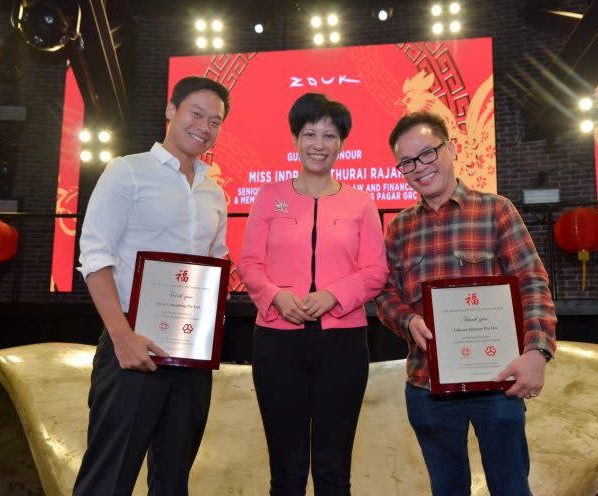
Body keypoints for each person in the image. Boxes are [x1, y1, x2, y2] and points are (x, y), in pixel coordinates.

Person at [375, 111, 557, 496]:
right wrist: (407, 321)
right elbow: (385, 294)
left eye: (427, 153)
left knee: (510, 488)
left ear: (452, 149)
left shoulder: (496, 210)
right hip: (427, 386)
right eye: (406, 162)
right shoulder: (398, 229)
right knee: (446, 489)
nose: (419, 168)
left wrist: (537, 351)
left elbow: (532, 281)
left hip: (498, 383)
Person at [74, 76, 230, 495]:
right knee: (109, 475)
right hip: (132, 342)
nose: (204, 126)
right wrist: (120, 336)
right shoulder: (127, 171)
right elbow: (95, 257)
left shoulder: (215, 193)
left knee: (173, 477)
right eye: (196, 114)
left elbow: (215, 261)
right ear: (171, 111)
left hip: (190, 354)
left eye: (215, 121)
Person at [237, 93, 388, 495]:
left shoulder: (362, 202)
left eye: (329, 134)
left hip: (342, 342)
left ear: (342, 143)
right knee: (285, 470)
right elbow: (249, 264)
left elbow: (376, 271)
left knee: (333, 468)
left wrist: (334, 296)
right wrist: (276, 296)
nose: (318, 143)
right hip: (276, 342)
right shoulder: (268, 197)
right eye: (309, 133)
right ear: (295, 139)